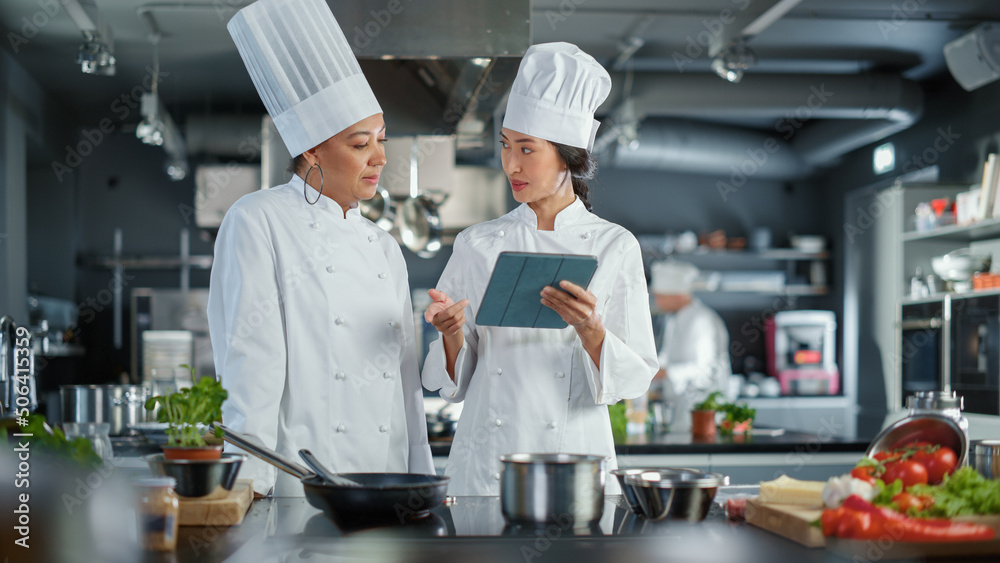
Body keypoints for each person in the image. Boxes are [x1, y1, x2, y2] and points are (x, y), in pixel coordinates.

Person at [208, 0, 433, 497]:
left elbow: (405, 385)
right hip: (302, 489)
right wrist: (250, 490)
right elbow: (251, 368)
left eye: (381, 139)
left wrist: (421, 482)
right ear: (311, 149)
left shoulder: (384, 247)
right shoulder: (257, 220)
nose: (380, 157)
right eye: (359, 144)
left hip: (386, 487)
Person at [421, 42, 658, 496]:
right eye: (506, 146)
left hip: (575, 458)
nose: (510, 164)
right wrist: (450, 334)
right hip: (487, 463)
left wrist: (591, 331)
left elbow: (636, 375)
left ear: (568, 157)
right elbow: (452, 383)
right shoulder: (477, 243)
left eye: (527, 149)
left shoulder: (614, 246)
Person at [648, 260, 731, 432]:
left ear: (679, 295)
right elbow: (665, 358)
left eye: (661, 297)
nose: (657, 302)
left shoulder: (702, 320)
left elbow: (706, 370)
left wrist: (666, 372)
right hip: (680, 411)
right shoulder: (673, 319)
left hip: (706, 413)